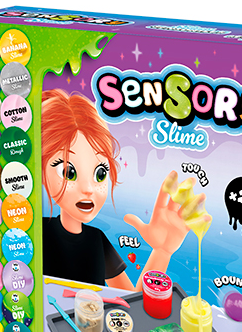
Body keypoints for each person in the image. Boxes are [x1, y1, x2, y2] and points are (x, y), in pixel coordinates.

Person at [40, 89, 205, 289]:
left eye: (100, 174)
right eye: (69, 172)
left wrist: (162, 252)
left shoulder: (96, 240)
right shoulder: (36, 233)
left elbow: (130, 301)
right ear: (41, 171)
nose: (88, 188)